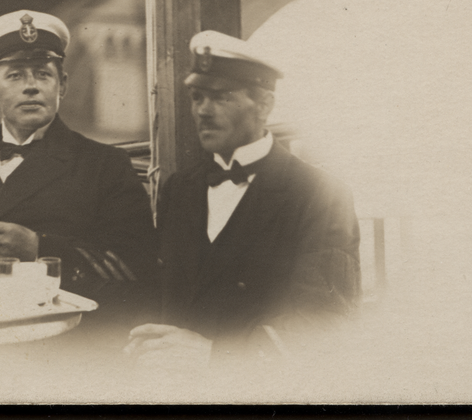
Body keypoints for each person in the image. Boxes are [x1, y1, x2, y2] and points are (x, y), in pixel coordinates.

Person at [126, 30, 361, 368]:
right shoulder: (180, 188)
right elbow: (165, 295)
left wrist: (216, 356)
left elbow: (324, 320)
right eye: (197, 97)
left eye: (221, 97)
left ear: (264, 105)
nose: (203, 111)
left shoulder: (320, 194)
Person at [0, 10, 157, 320]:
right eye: (15, 75)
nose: (31, 86)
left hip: (64, 331)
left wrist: (39, 248)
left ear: (61, 85)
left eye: (42, 74)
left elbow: (136, 268)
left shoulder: (105, 166)